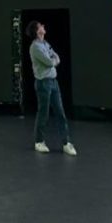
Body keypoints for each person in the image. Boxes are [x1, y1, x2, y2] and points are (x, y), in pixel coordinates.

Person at [26, 21, 77, 156]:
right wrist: (53, 61)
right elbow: (49, 62)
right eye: (41, 25)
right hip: (43, 83)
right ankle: (39, 141)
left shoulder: (45, 43)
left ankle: (66, 143)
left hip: (53, 82)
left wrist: (53, 60)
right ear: (37, 30)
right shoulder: (35, 47)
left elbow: (56, 56)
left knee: (60, 112)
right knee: (44, 113)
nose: (43, 26)